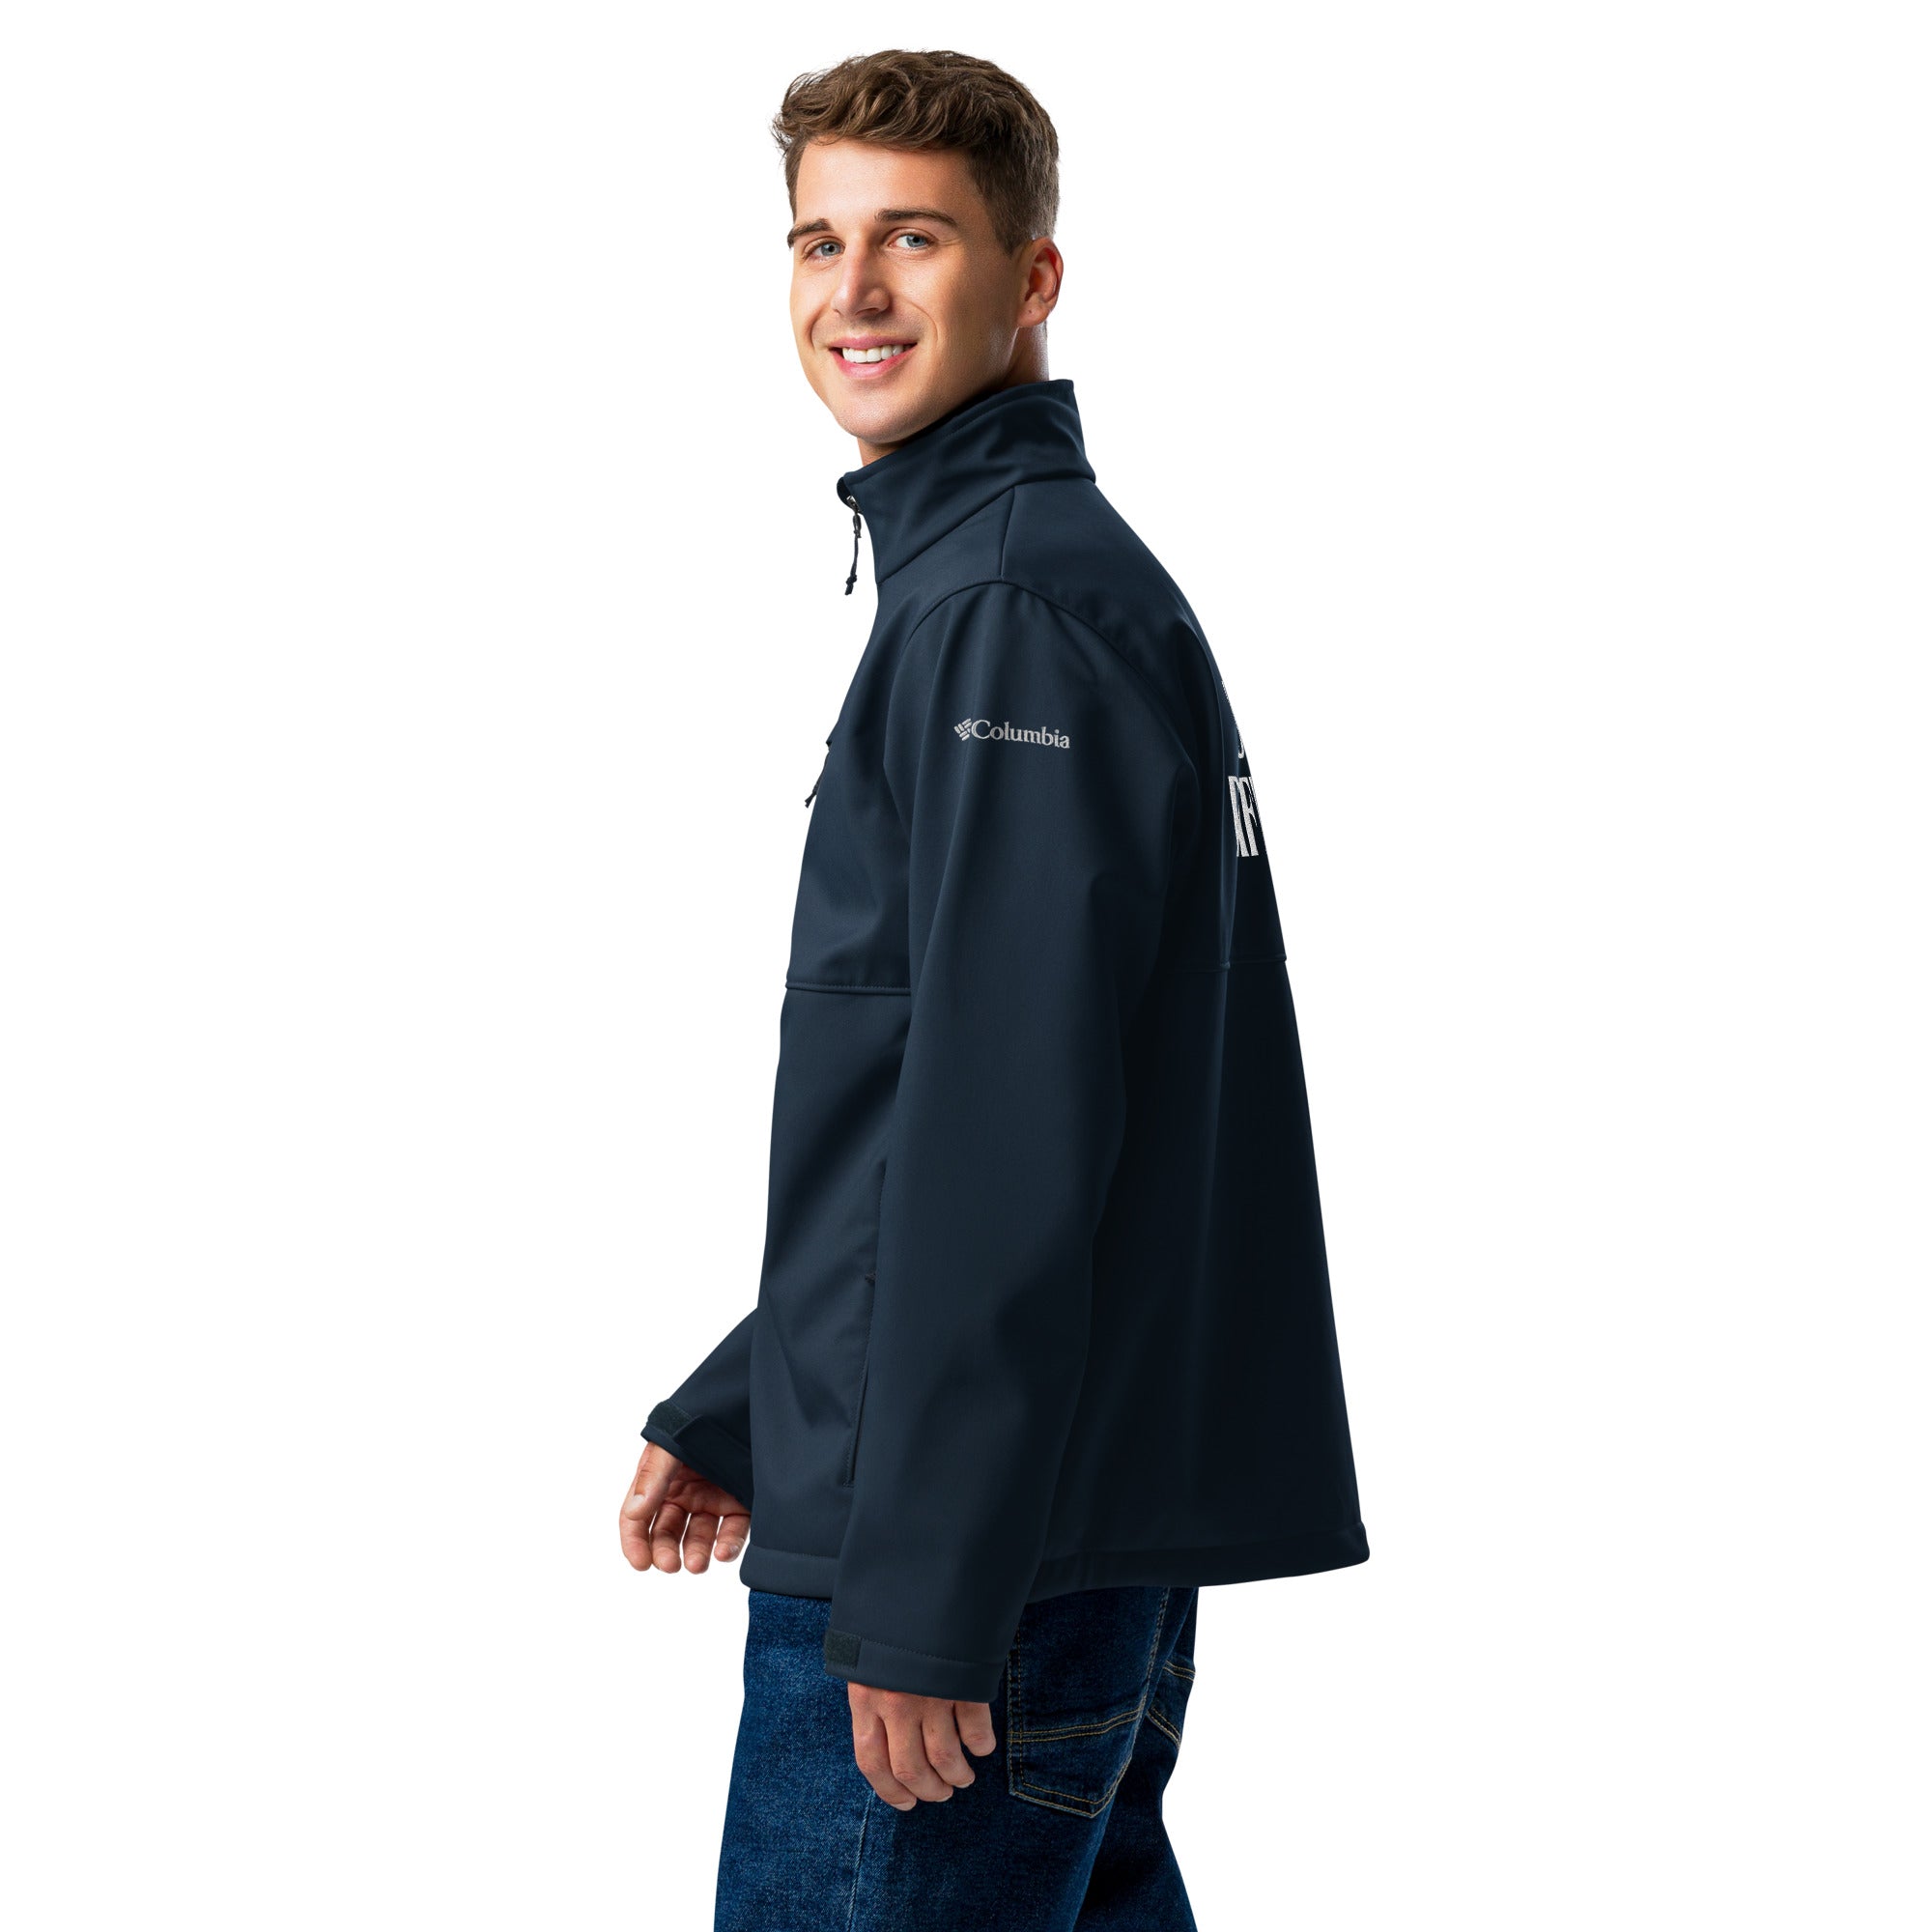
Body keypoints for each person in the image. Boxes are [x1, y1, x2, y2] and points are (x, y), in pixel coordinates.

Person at [618, 47, 1368, 1930]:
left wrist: (922, 1593)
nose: (853, 291)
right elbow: (1012, 1107)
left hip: (967, 1585)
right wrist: (755, 1403)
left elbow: (1004, 1138)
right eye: (819, 241)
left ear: (1031, 278)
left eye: (915, 239)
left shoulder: (1006, 611)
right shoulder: (1014, 585)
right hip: (1046, 1542)